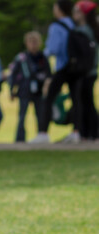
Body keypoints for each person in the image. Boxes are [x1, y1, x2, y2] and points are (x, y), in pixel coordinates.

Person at [30, 0, 82, 144]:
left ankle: (43, 133)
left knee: (48, 99)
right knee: (76, 100)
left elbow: (53, 49)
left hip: (62, 67)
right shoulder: (75, 24)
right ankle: (76, 131)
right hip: (76, 68)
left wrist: (44, 54)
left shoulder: (56, 26)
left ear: (59, 9)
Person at [8, 32, 52, 143]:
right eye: (31, 42)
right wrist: (12, 90)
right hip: (24, 91)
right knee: (22, 116)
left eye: (35, 42)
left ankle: (41, 136)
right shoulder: (21, 58)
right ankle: (20, 139)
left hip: (39, 92)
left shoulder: (42, 57)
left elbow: (49, 74)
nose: (33, 44)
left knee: (40, 115)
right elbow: (13, 75)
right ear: (26, 43)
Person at [73, 1, 99, 140]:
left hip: (86, 72)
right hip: (91, 71)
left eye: (77, 11)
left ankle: (90, 133)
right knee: (87, 102)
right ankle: (91, 132)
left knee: (86, 103)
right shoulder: (92, 29)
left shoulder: (84, 31)